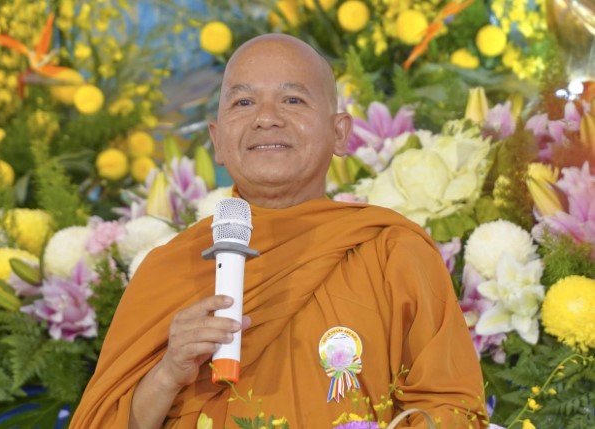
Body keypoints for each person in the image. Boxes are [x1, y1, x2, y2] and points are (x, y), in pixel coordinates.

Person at [70, 34, 488, 429]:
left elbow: (450, 409)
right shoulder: (169, 270)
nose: (266, 118)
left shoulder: (393, 252)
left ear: (339, 133)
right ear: (217, 140)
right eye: (244, 102)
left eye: (292, 99)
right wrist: (167, 374)